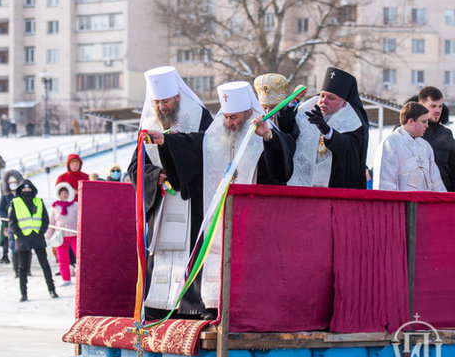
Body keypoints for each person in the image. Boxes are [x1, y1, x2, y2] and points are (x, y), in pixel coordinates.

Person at [145, 81, 294, 318]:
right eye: (225, 117)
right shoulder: (217, 134)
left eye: (234, 117)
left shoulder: (265, 132)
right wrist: (166, 141)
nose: (229, 123)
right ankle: (213, 304)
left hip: (254, 217)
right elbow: (194, 143)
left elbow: (281, 170)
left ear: (248, 113)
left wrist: (267, 137)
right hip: (220, 215)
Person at [125, 66, 214, 319]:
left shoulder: (199, 116)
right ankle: (158, 305)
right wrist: (155, 176)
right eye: (157, 102)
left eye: (165, 101)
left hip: (191, 201)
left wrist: (171, 147)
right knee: (161, 254)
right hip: (163, 203)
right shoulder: (148, 123)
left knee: (192, 251)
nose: (162, 107)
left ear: (177, 97)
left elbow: (207, 151)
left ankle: (192, 306)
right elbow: (135, 167)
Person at [288, 67, 369, 189]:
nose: (323, 101)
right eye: (322, 95)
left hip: (334, 192)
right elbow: (287, 130)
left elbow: (348, 149)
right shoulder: (309, 110)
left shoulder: (354, 123)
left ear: (344, 104)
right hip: (303, 188)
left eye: (331, 98)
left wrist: (327, 131)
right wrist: (292, 103)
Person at [373, 102, 446, 192]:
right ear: (411, 121)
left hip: (424, 203)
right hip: (401, 204)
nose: (427, 125)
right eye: (424, 122)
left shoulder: (426, 147)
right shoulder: (390, 144)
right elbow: (384, 183)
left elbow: (436, 182)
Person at [8, 179, 58, 302]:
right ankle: (23, 294)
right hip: (22, 238)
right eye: (24, 189)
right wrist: (19, 234)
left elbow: (45, 219)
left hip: (37, 236)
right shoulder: (15, 202)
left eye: (28, 188)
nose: (26, 190)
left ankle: (52, 290)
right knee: (22, 268)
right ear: (20, 190)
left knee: (45, 265)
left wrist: (40, 231)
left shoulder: (38, 201)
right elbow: (12, 221)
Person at [404, 86, 455, 191]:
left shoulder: (446, 135)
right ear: (421, 106)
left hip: (442, 198)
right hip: (413, 198)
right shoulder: (404, 132)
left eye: (440, 106)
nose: (437, 110)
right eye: (433, 106)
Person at [46, 182, 78, 286]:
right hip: (60, 236)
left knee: (79, 256)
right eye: (62, 193)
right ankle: (66, 279)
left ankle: (81, 276)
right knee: (62, 258)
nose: (64, 195)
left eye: (66, 193)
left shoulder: (75, 205)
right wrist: (48, 236)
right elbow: (51, 223)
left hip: (74, 235)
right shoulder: (55, 207)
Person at [0, 170, 24, 265]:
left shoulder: (22, 195)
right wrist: (7, 217)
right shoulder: (5, 196)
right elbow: (0, 209)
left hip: (22, 222)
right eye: (10, 183)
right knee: (9, 241)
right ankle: (7, 256)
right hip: (8, 222)